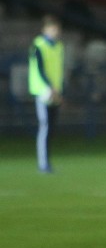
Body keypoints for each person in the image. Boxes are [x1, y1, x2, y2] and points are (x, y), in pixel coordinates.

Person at [28, 14, 65, 173]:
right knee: (45, 126)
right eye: (52, 28)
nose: (55, 31)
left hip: (55, 91)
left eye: (56, 28)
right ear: (44, 29)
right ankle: (43, 163)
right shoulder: (38, 45)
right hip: (43, 91)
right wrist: (50, 86)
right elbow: (40, 69)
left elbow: (59, 70)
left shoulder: (58, 46)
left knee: (51, 128)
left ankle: (47, 161)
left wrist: (59, 88)